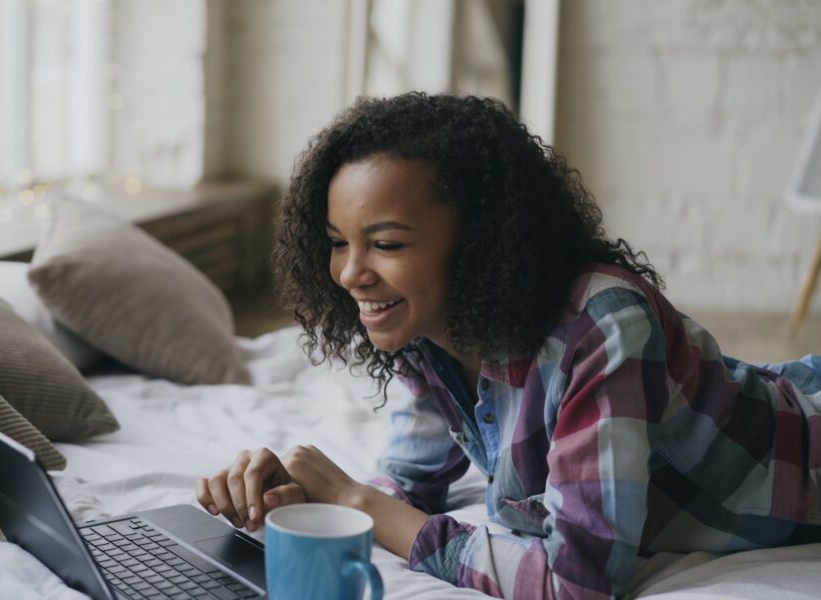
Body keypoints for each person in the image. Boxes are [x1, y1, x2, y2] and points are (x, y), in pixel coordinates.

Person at [194, 93, 821, 599]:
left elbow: (578, 585)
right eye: (337, 241)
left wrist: (357, 502)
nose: (350, 273)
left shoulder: (602, 326)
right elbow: (412, 483)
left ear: (479, 243)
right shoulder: (429, 330)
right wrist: (310, 500)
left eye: (385, 244)